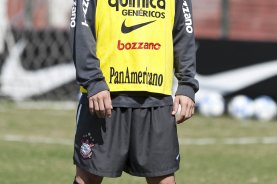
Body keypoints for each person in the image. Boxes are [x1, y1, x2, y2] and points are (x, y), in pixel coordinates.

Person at [70, 0, 199, 183]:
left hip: (157, 97)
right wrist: (93, 81)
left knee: (164, 181)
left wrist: (187, 84)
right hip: (105, 96)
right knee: (87, 179)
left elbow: (184, 30)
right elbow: (82, 30)